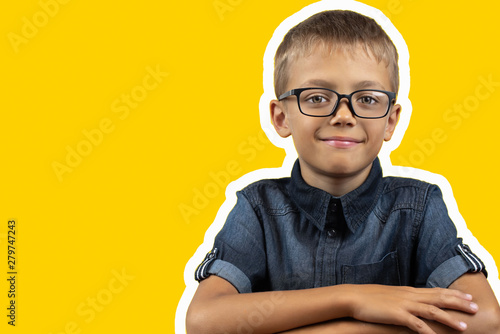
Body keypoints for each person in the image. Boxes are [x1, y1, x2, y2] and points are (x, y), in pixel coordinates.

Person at [185, 7, 500, 334]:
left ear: (391, 121)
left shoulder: (418, 207)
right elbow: (204, 321)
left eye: (367, 98)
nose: (344, 115)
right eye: (318, 97)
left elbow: (485, 320)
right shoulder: (257, 208)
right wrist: (352, 298)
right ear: (280, 118)